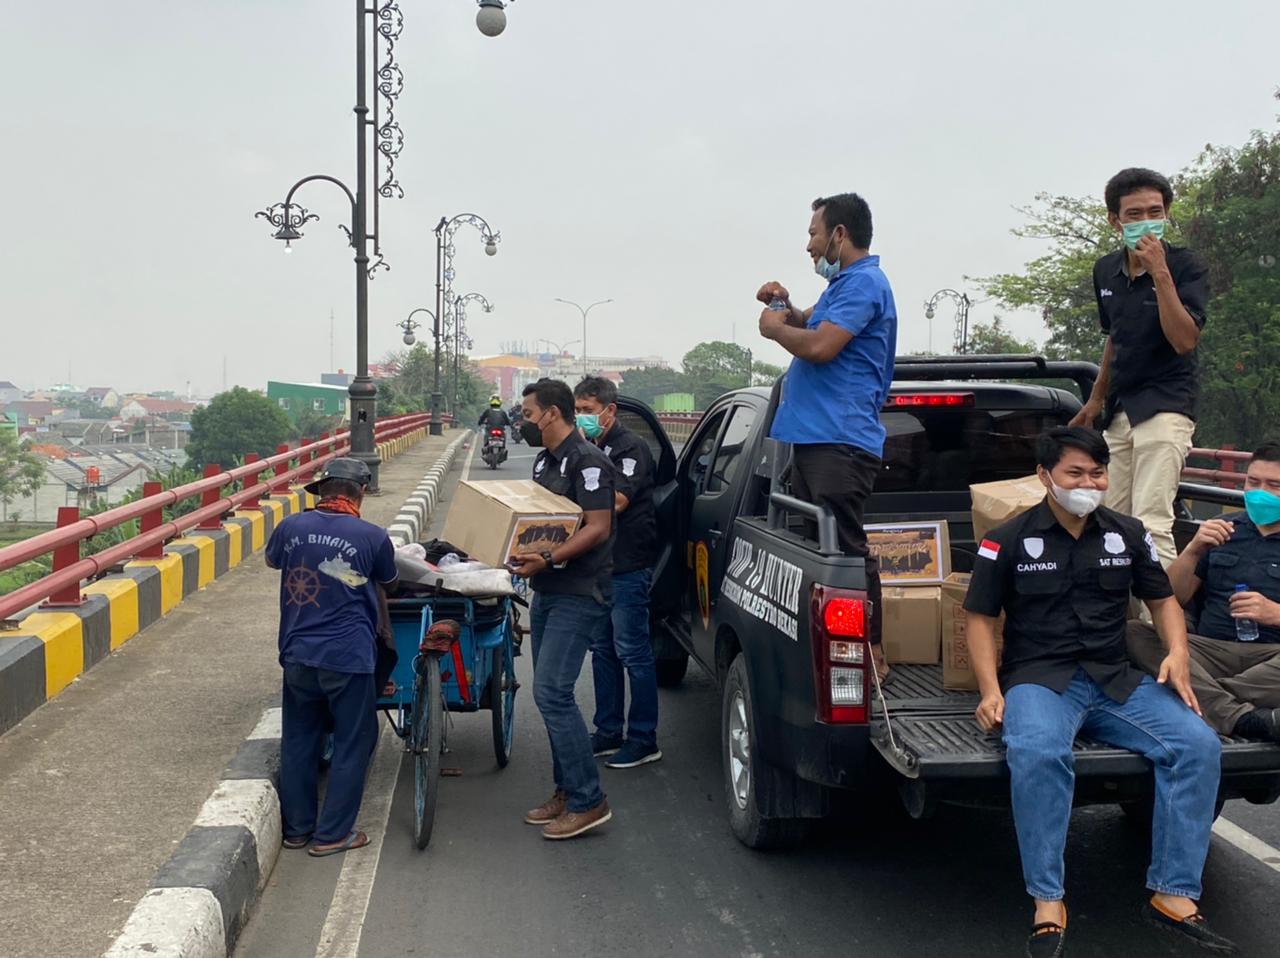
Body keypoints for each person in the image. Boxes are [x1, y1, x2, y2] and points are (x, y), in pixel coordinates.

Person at [963, 427, 1233, 956]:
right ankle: (1047, 900)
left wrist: (1178, 652)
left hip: (1115, 679)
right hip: (1040, 679)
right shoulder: (1007, 538)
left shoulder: (1127, 533)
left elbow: (1162, 601)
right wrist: (990, 691)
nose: (1088, 483)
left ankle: (1173, 893)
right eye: (1075, 473)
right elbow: (979, 618)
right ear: (1045, 476)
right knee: (1038, 752)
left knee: (1197, 745)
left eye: (1097, 473)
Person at [756, 192, 897, 676]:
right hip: (818, 437)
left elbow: (819, 346)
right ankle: (835, 648)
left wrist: (773, 330)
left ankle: (871, 652)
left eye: (814, 234)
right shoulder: (845, 285)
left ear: (839, 234)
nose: (809, 246)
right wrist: (783, 306)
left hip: (840, 439)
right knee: (823, 548)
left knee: (845, 550)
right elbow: (810, 323)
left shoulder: (865, 284)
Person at [1070, 168, 1209, 568]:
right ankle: (1118, 607)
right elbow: (1114, 336)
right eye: (1134, 214)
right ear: (1115, 221)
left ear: (1167, 213)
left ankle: (1163, 610)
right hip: (1121, 406)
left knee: (1151, 522)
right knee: (1109, 522)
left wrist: (1159, 272)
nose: (1146, 222)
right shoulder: (1105, 270)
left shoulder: (1186, 266)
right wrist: (1096, 399)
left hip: (1167, 403)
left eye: (1155, 212)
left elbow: (1184, 340)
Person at [264, 457, 398, 857]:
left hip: (297, 652)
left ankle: (297, 830)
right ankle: (333, 834)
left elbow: (273, 560)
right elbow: (389, 580)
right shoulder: (372, 536)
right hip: (347, 656)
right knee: (354, 740)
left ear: (322, 490)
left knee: (299, 739)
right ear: (361, 493)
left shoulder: (290, 527)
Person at [508, 379, 617, 840]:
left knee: (553, 692)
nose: (524, 423)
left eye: (529, 414)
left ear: (552, 413)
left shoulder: (589, 462)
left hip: (580, 589)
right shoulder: (544, 461)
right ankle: (567, 791)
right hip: (548, 587)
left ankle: (589, 800)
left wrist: (550, 558)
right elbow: (539, 520)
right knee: (549, 694)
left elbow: (598, 527)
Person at [1127, 439, 1280, 742]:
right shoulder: (1222, 529)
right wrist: (1193, 550)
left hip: (1272, 656)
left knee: (1180, 671)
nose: (1260, 492)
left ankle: (1198, 695)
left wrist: (1275, 613)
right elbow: (1168, 598)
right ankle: (1241, 718)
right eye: (1253, 482)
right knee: (1133, 633)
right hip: (1209, 650)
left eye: (1274, 485)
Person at [574, 376, 662, 768]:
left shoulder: (630, 447)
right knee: (602, 650)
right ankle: (608, 731)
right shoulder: (587, 448)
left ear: (609, 410)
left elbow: (619, 501)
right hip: (597, 564)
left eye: (588, 411)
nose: (582, 417)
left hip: (627, 563)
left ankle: (643, 738)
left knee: (632, 651)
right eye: (577, 410)